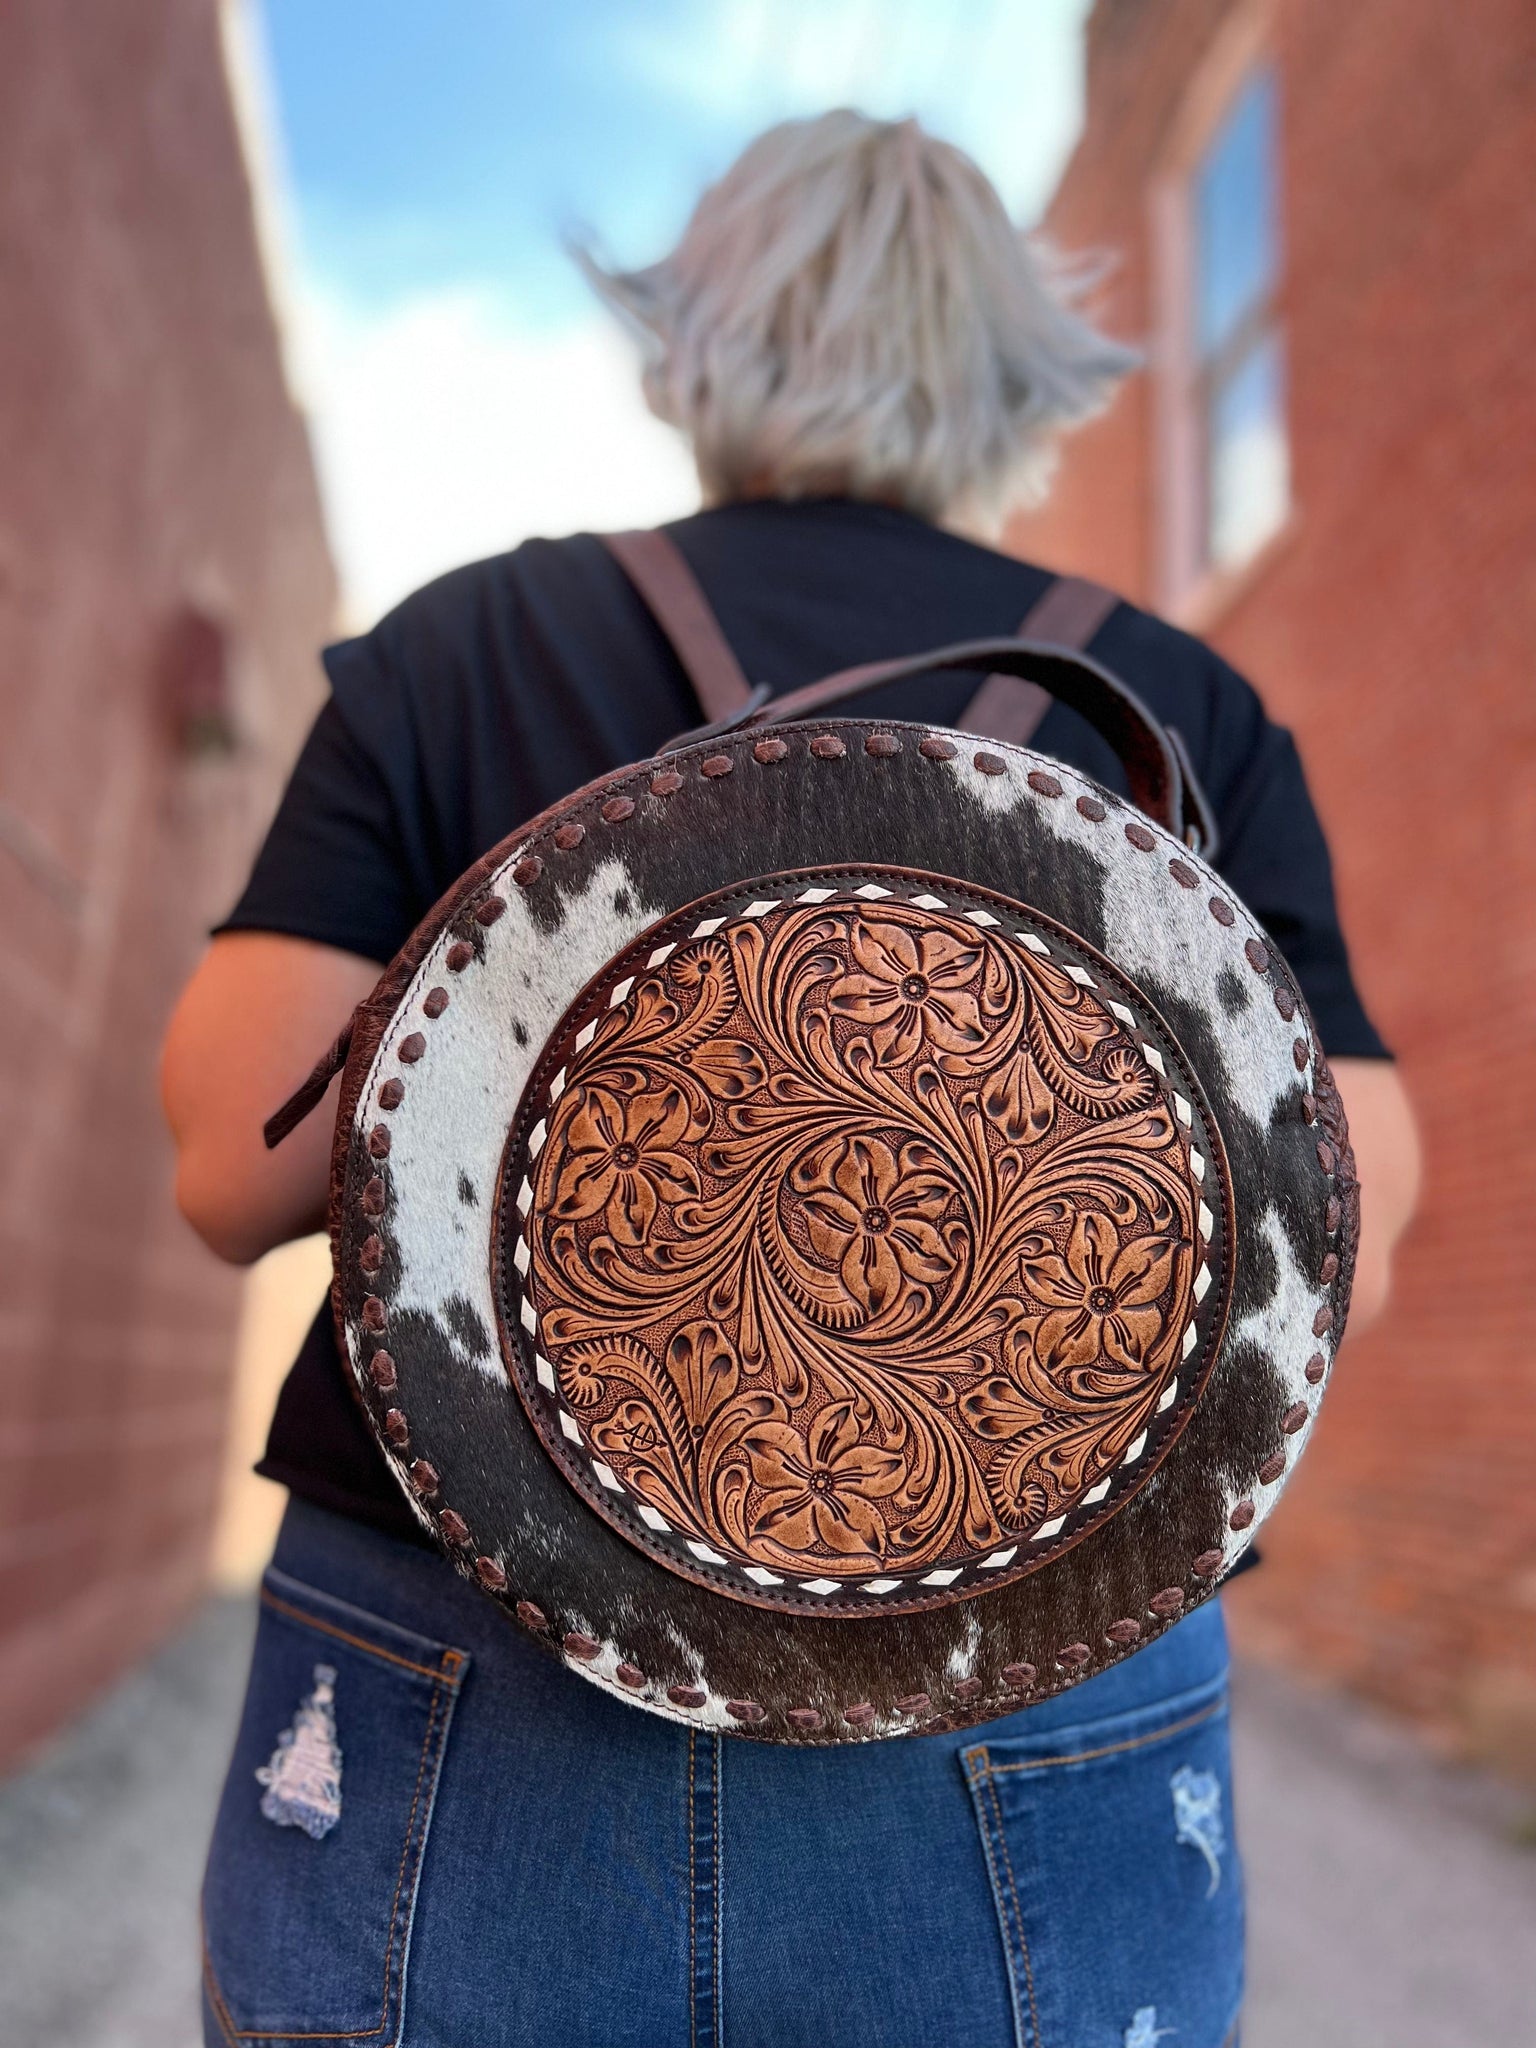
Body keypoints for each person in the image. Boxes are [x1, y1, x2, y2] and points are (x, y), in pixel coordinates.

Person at [164, 110, 1419, 2048]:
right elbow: (1356, 1219)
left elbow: (229, 1162)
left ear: (693, 338)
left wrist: (551, 1006)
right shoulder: (1177, 706)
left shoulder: (474, 641)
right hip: (1029, 1675)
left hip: (466, 1648)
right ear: (1022, 369)